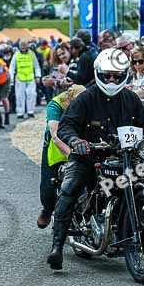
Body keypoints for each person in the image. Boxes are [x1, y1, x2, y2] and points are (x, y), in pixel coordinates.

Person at [47, 48, 144, 271]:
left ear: (124, 75)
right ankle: (57, 246)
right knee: (70, 188)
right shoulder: (86, 98)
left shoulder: (130, 99)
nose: (112, 79)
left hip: (124, 157)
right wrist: (75, 140)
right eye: (107, 75)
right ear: (99, 73)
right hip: (88, 158)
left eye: (117, 75)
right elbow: (66, 126)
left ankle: (137, 228)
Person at [38, 84, 86, 229]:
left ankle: (76, 218)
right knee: (48, 188)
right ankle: (47, 209)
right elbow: (55, 134)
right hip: (55, 144)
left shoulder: (88, 104)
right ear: (70, 99)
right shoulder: (56, 104)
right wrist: (71, 154)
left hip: (77, 141)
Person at [9, 39, 41, 119]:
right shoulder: (16, 55)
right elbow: (12, 67)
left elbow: (36, 66)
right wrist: (11, 78)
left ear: (27, 45)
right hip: (20, 78)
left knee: (32, 94)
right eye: (21, 45)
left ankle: (30, 111)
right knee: (20, 96)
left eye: (24, 44)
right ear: (19, 46)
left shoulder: (31, 54)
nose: (23, 46)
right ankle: (20, 112)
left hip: (30, 77)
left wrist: (38, 76)